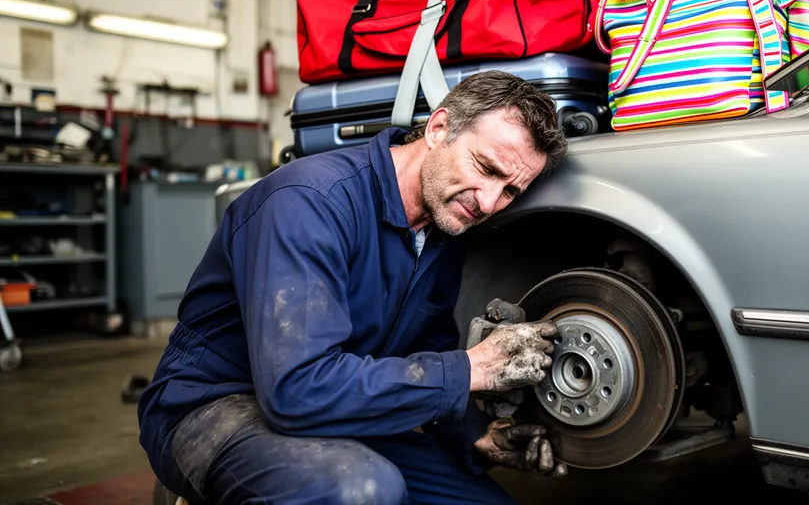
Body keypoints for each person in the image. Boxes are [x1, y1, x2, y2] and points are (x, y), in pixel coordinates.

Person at [137, 70, 571, 504]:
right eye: (486, 168)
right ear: (439, 129)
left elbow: (427, 351)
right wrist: (473, 369)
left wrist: (479, 439)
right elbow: (297, 389)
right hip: (214, 409)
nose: (489, 202)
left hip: (339, 410)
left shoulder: (444, 229)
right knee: (361, 490)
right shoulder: (309, 202)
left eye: (510, 190)